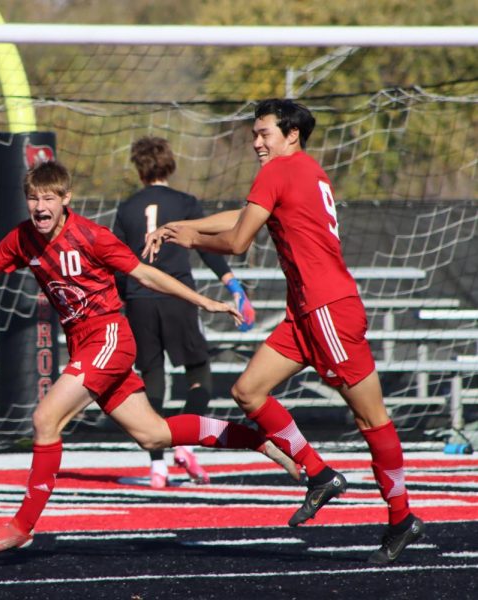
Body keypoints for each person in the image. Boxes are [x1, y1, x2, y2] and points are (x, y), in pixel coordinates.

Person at [0, 159, 299, 553]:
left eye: (49, 198)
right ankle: (258, 440)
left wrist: (203, 301)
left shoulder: (91, 235)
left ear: (66, 199)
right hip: (85, 344)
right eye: (34, 198)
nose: (41, 206)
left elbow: (144, 273)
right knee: (154, 434)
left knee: (44, 419)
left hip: (108, 336)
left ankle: (21, 526)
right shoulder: (22, 239)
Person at [143, 98, 424, 564]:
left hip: (328, 311)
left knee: (371, 419)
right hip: (305, 313)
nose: (256, 142)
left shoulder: (278, 170)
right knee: (248, 391)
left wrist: (189, 237)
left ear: (291, 134)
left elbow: (236, 240)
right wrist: (182, 226)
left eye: (264, 133)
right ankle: (318, 474)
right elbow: (244, 216)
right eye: (254, 134)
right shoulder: (304, 169)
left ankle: (401, 517)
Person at [114, 136, 256, 488]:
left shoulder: (128, 207)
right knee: (199, 372)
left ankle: (157, 466)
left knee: (151, 378)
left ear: (138, 167)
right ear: (170, 164)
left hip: (139, 300)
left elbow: (116, 262)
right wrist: (233, 286)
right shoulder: (184, 202)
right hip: (177, 296)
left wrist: (120, 303)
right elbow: (207, 248)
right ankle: (184, 443)